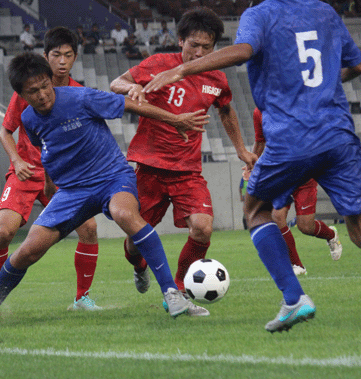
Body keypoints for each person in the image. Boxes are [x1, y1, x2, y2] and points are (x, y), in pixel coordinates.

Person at [144, 0, 361, 332]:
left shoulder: (260, 14)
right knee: (357, 227)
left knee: (256, 209)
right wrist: (323, 86)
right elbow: (355, 65)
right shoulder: (325, 11)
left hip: (292, 136)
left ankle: (294, 297)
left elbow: (244, 50)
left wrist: (183, 69)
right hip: (338, 134)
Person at [0, 52, 210, 330]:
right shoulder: (29, 119)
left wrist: (175, 120)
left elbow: (130, 105)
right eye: (33, 91)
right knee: (28, 250)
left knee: (123, 212)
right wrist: (50, 183)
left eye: (45, 85)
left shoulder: (81, 98)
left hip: (112, 176)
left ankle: (172, 294)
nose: (42, 94)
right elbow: (48, 149)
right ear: (21, 95)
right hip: (72, 190)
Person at [110, 7, 256, 316]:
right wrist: (132, 86)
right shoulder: (160, 64)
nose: (199, 52)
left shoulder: (216, 77)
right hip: (149, 168)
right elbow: (116, 83)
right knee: (136, 244)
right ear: (180, 41)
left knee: (203, 228)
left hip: (188, 171)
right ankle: (139, 266)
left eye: (207, 47)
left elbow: (226, 110)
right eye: (194, 45)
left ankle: (175, 291)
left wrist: (242, 150)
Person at [0, 27, 103, 312]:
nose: (62, 61)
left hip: (64, 177)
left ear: (75, 57)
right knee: (4, 233)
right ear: (45, 55)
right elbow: (5, 132)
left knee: (89, 228)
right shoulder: (29, 88)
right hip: (26, 172)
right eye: (56, 55)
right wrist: (16, 161)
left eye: (68, 55)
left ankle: (82, 298)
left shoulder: (79, 94)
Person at [252, 107, 342, 275]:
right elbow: (260, 141)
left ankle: (330, 235)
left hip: (304, 172)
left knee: (305, 226)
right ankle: (297, 265)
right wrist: (251, 163)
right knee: (277, 217)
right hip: (282, 174)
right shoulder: (259, 111)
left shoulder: (294, 102)